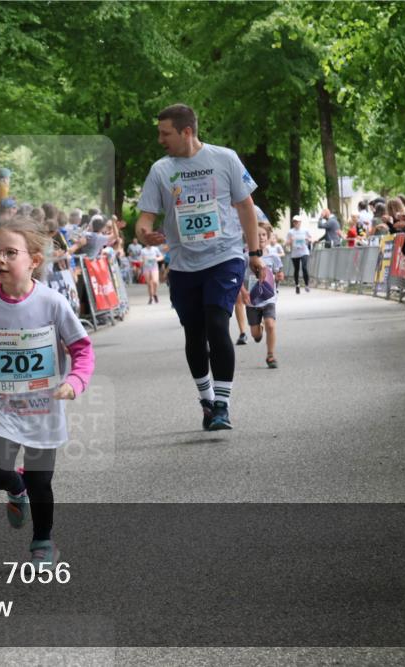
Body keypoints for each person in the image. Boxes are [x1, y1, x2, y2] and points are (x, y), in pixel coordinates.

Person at [0, 217, 95, 567]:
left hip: (43, 406)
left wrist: (75, 382)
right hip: (2, 407)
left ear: (33, 260)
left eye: (10, 253)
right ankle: (14, 488)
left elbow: (82, 349)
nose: (0, 260)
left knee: (41, 482)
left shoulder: (52, 303)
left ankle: (42, 542)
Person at [135, 103, 263, 431]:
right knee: (194, 333)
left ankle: (223, 404)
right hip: (183, 264)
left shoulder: (225, 158)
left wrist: (255, 252)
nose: (160, 139)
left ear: (186, 131)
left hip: (224, 256)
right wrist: (145, 234)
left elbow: (246, 206)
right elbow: (145, 218)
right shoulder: (160, 170)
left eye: (165, 133)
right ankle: (206, 400)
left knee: (217, 324)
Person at [241, 225, 285, 369]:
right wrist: (243, 291)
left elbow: (279, 273)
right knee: (255, 335)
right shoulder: (245, 258)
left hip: (268, 298)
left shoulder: (273, 256)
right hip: (252, 301)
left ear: (268, 237)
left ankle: (270, 355)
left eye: (264, 235)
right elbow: (238, 277)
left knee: (270, 325)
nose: (261, 238)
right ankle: (258, 328)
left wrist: (279, 276)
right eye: (257, 235)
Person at [285, 215, 312, 294]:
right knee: (296, 269)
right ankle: (297, 285)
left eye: (298, 222)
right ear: (293, 223)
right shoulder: (291, 232)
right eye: (295, 222)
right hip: (295, 253)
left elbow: (311, 239)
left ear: (300, 222)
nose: (297, 223)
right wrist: (290, 240)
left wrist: (308, 239)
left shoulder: (305, 230)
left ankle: (307, 285)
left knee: (304, 267)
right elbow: (286, 243)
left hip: (304, 251)